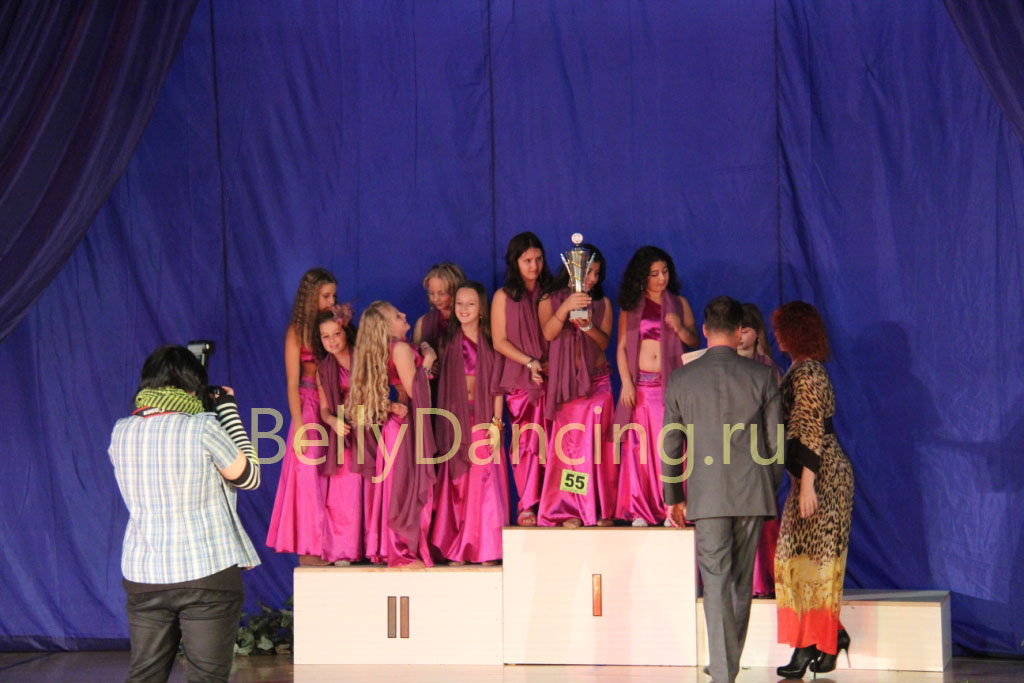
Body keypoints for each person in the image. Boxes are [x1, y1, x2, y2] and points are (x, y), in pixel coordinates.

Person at [109, 345, 260, 682]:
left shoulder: (121, 431)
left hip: (144, 572)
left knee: (145, 675)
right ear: (194, 386)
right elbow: (249, 476)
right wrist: (227, 410)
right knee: (206, 677)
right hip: (207, 572)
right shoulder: (204, 427)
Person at [662, 296, 783, 683]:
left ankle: (722, 672)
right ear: (738, 331)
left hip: (707, 494)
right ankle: (724, 669)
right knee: (740, 583)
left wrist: (673, 497)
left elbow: (671, 445)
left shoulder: (681, 378)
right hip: (751, 492)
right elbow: (776, 445)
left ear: (704, 330)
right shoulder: (761, 376)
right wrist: (766, 486)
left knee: (715, 582)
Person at [772, 301, 854, 678]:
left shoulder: (808, 372)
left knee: (809, 564)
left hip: (822, 476)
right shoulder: (799, 368)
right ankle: (830, 636)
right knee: (799, 562)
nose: (776, 334)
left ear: (796, 332)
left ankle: (807, 644)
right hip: (813, 475)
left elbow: (809, 428)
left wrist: (807, 485)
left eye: (782, 328)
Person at [613, 246, 699, 526]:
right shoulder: (631, 307)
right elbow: (622, 347)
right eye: (655, 274)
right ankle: (641, 508)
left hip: (669, 388)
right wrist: (626, 383)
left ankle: (671, 506)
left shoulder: (679, 303)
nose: (662, 278)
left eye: (665, 272)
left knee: (670, 446)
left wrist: (680, 328)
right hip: (641, 389)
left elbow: (695, 341)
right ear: (642, 276)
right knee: (640, 449)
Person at [349, 301, 438, 568]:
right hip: (404, 425)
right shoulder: (399, 348)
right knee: (403, 489)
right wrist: (428, 361)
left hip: (397, 425)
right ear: (386, 327)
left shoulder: (395, 347)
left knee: (399, 487)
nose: (404, 315)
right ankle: (400, 552)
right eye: (398, 316)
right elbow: (415, 391)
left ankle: (396, 548)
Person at [536, 244, 617, 527]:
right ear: (573, 270)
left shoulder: (602, 303)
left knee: (599, 449)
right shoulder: (549, 299)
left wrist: (588, 326)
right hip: (566, 389)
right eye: (588, 272)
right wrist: (565, 308)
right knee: (571, 452)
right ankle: (571, 507)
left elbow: (604, 342)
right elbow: (548, 333)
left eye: (597, 273)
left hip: (598, 385)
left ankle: (601, 507)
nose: (593, 278)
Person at [430, 281, 510, 564]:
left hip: (483, 419)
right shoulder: (449, 342)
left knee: (483, 483)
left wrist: (496, 423)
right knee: (459, 485)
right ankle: (459, 548)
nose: (464, 309)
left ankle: (487, 548)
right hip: (456, 421)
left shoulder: (491, 342)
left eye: (471, 304)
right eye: (459, 304)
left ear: (482, 309)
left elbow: (498, 386)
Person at [267, 267, 337, 565]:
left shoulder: (335, 326)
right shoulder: (296, 332)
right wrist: (299, 427)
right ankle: (310, 548)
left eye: (333, 296)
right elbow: (292, 383)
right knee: (309, 479)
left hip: (334, 404)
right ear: (310, 298)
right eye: (326, 296)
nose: (331, 301)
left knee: (336, 479)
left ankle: (337, 545)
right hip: (308, 408)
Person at [491, 231, 553, 527]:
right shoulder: (503, 296)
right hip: (519, 382)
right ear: (515, 262)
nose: (534, 266)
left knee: (555, 443)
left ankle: (554, 503)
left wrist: (550, 363)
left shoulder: (550, 293)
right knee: (526, 442)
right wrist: (529, 362)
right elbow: (499, 341)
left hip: (551, 378)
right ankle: (527, 504)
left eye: (538, 259)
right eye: (527, 260)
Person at [313, 305, 366, 566]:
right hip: (342, 432)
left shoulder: (363, 356)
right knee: (343, 493)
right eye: (326, 337)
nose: (332, 341)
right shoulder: (323, 368)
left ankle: (373, 547)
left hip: (369, 426)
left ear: (346, 332)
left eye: (336, 334)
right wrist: (333, 420)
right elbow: (324, 409)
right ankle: (343, 550)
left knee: (371, 489)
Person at [737, 303, 782, 598]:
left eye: (746, 330)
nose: (740, 336)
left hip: (759, 451)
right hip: (730, 451)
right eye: (737, 330)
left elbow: (775, 416)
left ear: (757, 334)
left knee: (763, 519)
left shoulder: (767, 368)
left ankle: (765, 580)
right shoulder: (724, 365)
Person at [412, 262, 466, 353]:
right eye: (431, 293)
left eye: (441, 293)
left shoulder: (469, 319)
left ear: (455, 291)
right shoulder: (423, 323)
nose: (435, 299)